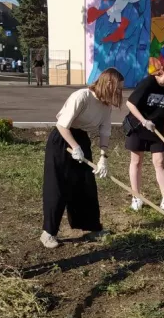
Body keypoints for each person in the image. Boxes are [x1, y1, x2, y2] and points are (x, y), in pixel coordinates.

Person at [40, 68, 124, 249]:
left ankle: (91, 227)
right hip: (62, 140)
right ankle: (48, 233)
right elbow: (62, 125)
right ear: (108, 84)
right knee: (58, 186)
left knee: (86, 184)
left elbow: (105, 131)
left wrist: (103, 157)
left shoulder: (105, 105)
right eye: (117, 88)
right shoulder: (82, 96)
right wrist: (75, 146)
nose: (119, 93)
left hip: (81, 140)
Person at [124, 59, 164, 215]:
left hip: (157, 130)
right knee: (136, 161)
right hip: (138, 126)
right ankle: (136, 197)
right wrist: (144, 121)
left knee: (160, 162)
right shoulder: (149, 83)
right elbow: (130, 104)